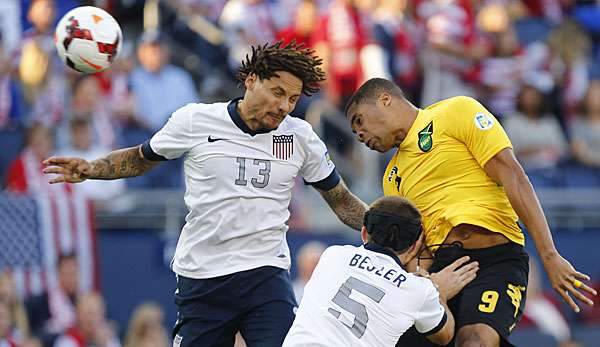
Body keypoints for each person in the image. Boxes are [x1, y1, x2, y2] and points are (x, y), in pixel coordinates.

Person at [43, 41, 368, 347]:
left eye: (293, 99)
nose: (284, 106)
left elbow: (340, 199)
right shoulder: (196, 120)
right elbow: (141, 159)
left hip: (265, 275)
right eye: (278, 92)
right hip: (203, 278)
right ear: (252, 81)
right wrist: (92, 168)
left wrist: (385, 234)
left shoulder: (299, 137)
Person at [344, 78, 597, 347]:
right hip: (444, 268)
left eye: (359, 120)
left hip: (495, 262)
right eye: (353, 130)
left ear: (385, 99)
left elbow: (513, 175)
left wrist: (549, 255)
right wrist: (423, 280)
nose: (359, 134)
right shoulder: (391, 177)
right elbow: (419, 245)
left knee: (474, 340)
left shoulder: (455, 112)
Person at [283, 196, 479, 347]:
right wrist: (439, 292)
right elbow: (444, 336)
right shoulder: (420, 290)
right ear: (414, 246)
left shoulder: (333, 255)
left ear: (364, 233)